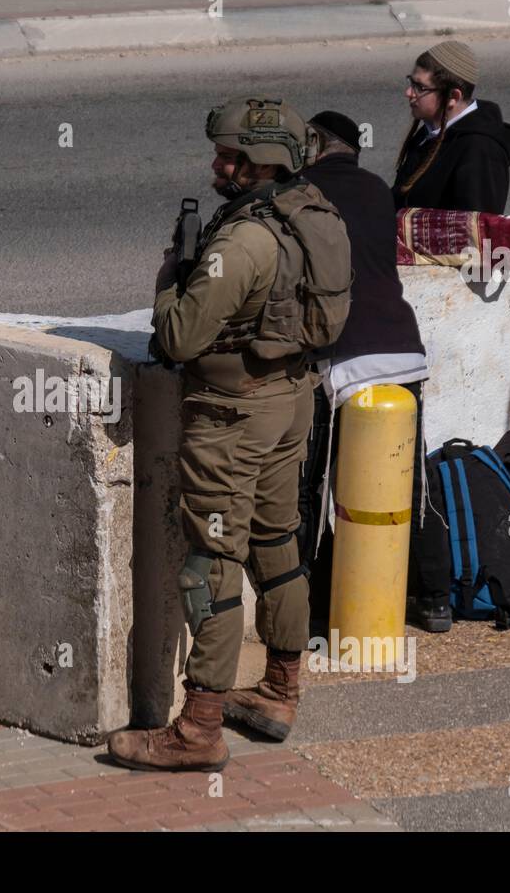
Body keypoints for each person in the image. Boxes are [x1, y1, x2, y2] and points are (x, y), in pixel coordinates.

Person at [108, 96, 352, 771]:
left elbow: (179, 336)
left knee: (211, 563)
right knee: (278, 544)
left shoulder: (245, 241)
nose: (219, 165)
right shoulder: (310, 213)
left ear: (262, 162)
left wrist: (169, 281)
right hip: (290, 401)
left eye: (231, 156)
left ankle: (199, 729)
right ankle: (278, 691)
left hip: (231, 419)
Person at [295, 111, 450, 637]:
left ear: (314, 144)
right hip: (402, 348)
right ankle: (434, 600)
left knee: (312, 483)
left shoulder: (299, 192)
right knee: (411, 481)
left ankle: (308, 606)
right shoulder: (379, 191)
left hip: (342, 355)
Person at [393, 40, 510, 214]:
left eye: (420, 87)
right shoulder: (431, 131)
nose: (409, 93)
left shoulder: (479, 150)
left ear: (453, 96)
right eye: (411, 82)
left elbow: (475, 229)